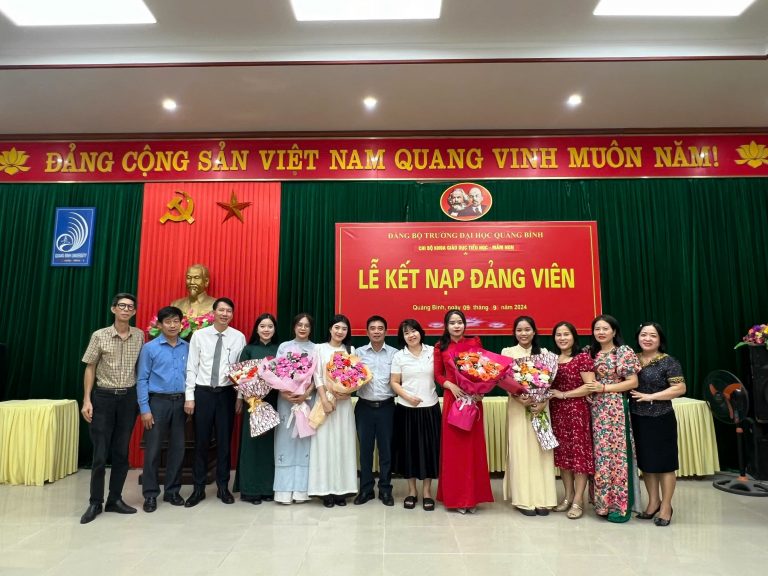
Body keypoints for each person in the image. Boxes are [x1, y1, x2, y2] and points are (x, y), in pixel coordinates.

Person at [79, 293, 144, 524]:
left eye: (130, 307)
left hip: (128, 399)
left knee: (121, 452)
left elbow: (141, 368)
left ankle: (115, 499)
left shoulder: (139, 335)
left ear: (134, 311)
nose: (126, 310)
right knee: (100, 454)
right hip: (104, 397)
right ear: (113, 309)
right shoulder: (100, 335)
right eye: (122, 306)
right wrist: (87, 400)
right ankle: (95, 502)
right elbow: (90, 367)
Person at [184, 297, 246, 507]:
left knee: (224, 443)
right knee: (201, 442)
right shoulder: (199, 335)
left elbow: (241, 370)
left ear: (232, 314)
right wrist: (190, 397)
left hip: (226, 394)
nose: (225, 314)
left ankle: (222, 487)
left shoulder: (238, 337)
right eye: (221, 310)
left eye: (229, 311)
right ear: (213, 312)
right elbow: (192, 366)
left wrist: (239, 397)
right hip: (203, 393)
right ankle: (198, 489)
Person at [433, 309, 494, 513]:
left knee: (472, 450)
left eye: (459, 322)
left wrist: (480, 392)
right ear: (446, 326)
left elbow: (484, 370)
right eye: (452, 323)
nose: (456, 326)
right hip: (454, 400)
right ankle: (457, 499)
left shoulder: (474, 342)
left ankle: (472, 497)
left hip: (473, 400)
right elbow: (438, 375)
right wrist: (450, 385)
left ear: (465, 324)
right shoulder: (440, 346)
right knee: (455, 451)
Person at [586, 314, 641, 523]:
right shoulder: (590, 352)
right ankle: (602, 504)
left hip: (615, 407)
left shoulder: (622, 352)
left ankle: (619, 505)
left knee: (616, 456)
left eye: (605, 329)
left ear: (614, 331)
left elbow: (632, 382)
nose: (601, 332)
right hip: (595, 409)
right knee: (600, 456)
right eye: (597, 329)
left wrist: (604, 388)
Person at [630, 322, 686, 527]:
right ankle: (653, 502)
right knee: (647, 463)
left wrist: (651, 396)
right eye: (643, 334)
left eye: (653, 335)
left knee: (665, 464)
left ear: (660, 339)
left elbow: (680, 388)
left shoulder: (668, 361)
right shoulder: (632, 359)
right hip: (637, 418)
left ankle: (666, 506)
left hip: (661, 418)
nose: (647, 339)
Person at [500, 316, 557, 516]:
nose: (523, 333)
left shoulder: (545, 354)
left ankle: (544, 499)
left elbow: (550, 383)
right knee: (521, 450)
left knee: (541, 451)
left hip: (540, 408)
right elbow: (503, 380)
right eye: (519, 330)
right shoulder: (507, 352)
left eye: (527, 329)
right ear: (514, 333)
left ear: (534, 331)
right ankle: (523, 499)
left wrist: (543, 401)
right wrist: (518, 397)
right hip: (518, 407)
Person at [136, 305, 189, 513]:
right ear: (159, 324)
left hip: (181, 402)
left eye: (176, 321)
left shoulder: (187, 347)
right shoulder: (150, 348)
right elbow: (142, 379)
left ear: (181, 324)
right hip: (157, 402)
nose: (172, 325)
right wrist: (144, 409)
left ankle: (172, 491)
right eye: (168, 321)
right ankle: (150, 494)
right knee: (153, 449)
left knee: (178, 448)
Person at [308, 314, 358, 507]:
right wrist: (324, 399)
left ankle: (342, 490)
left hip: (343, 404)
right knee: (324, 444)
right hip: (324, 403)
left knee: (343, 443)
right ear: (330, 329)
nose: (340, 331)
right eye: (337, 327)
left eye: (344, 329)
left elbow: (356, 376)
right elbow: (317, 376)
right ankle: (324, 490)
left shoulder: (350, 350)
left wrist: (347, 391)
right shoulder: (319, 348)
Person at [390, 319, 441, 511]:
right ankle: (412, 491)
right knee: (409, 450)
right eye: (406, 333)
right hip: (406, 409)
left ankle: (427, 492)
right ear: (402, 337)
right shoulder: (399, 356)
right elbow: (394, 382)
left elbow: (442, 376)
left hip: (430, 407)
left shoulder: (432, 352)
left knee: (429, 450)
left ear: (420, 332)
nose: (411, 335)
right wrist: (407, 397)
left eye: (414, 331)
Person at [548, 321, 595, 520]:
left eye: (566, 334)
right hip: (557, 413)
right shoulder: (552, 359)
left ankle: (578, 500)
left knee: (578, 456)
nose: (562, 338)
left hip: (577, 412)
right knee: (563, 457)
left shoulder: (582, 358)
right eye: (558, 335)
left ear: (574, 336)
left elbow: (590, 385)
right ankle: (567, 496)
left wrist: (564, 394)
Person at [233, 313, 279, 505]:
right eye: (262, 326)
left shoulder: (279, 349)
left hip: (274, 402)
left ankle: (268, 488)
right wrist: (242, 398)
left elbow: (285, 376)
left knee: (270, 446)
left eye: (270, 326)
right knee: (252, 445)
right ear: (257, 329)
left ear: (274, 329)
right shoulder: (248, 349)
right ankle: (251, 489)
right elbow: (240, 377)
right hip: (252, 402)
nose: (266, 330)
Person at [354, 315, 398, 506]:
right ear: (367, 332)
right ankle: (366, 489)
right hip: (364, 407)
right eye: (373, 328)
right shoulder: (358, 353)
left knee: (386, 451)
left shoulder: (395, 354)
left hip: (387, 407)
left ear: (386, 332)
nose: (377, 331)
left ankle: (385, 490)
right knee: (365, 451)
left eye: (380, 328)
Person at [273, 313, 316, 505]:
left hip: (307, 401)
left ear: (311, 329)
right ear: (294, 326)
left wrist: (306, 393)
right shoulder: (284, 347)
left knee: (305, 441)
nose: (303, 328)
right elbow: (275, 373)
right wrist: (285, 392)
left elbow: (317, 377)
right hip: (286, 400)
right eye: (300, 324)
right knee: (285, 441)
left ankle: (301, 490)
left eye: (307, 325)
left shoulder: (316, 349)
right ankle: (283, 491)